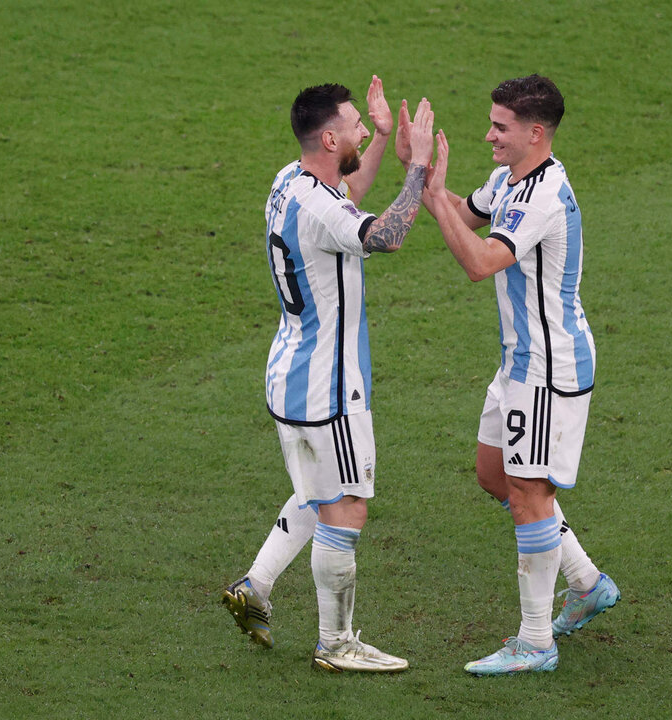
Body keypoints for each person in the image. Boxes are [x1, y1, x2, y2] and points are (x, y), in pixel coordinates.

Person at [222, 77, 436, 673]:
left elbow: (346, 197)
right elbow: (385, 234)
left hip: (289, 375)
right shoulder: (322, 204)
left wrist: (381, 142)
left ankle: (255, 587)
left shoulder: (291, 183)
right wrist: (417, 167)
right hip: (332, 389)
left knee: (318, 494)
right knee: (347, 505)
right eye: (357, 125)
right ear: (329, 134)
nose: (364, 129)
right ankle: (336, 643)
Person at [416, 75, 620, 675]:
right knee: (494, 474)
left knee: (530, 493)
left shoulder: (545, 195)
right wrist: (428, 182)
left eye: (500, 127)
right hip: (517, 363)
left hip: (549, 369)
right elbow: (467, 215)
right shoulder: (511, 179)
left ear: (535, 133)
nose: (489, 135)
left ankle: (535, 642)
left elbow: (480, 262)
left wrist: (432, 202)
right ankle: (586, 583)